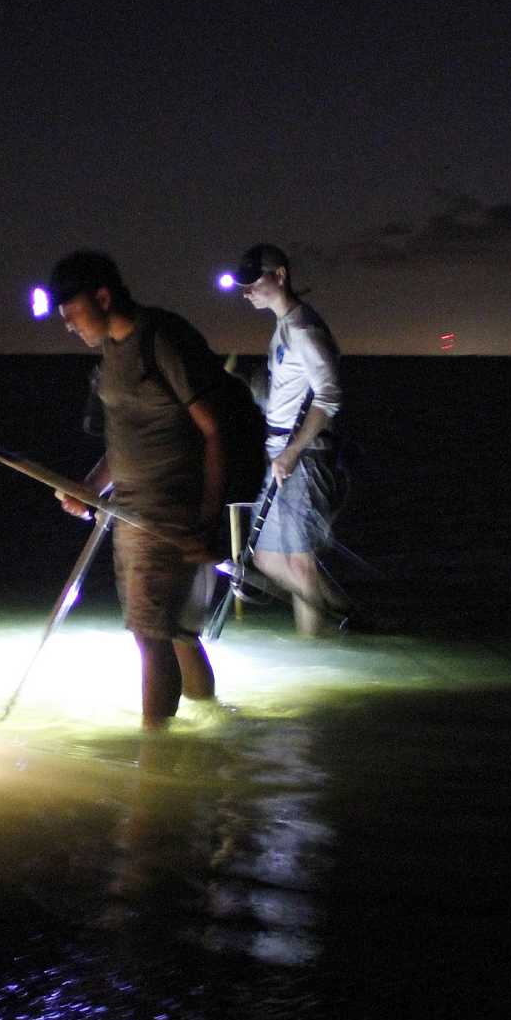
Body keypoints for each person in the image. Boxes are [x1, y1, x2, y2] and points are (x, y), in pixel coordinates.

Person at [44, 250, 262, 728]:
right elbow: (127, 441)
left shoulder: (161, 339)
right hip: (131, 510)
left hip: (167, 514)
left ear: (102, 297)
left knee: (150, 636)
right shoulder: (111, 352)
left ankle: (156, 766)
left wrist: (207, 520)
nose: (67, 325)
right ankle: (209, 727)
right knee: (179, 631)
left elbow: (215, 429)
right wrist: (88, 487)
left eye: (72, 313)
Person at [224, 242, 352, 635]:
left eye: (252, 283)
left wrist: (294, 452)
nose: (246, 292)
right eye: (242, 286)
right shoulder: (283, 326)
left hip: (303, 456)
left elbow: (329, 396)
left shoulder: (302, 328)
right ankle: (347, 621)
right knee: (265, 558)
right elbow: (288, 394)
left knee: (299, 562)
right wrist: (244, 386)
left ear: (279, 276)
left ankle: (317, 648)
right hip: (281, 452)